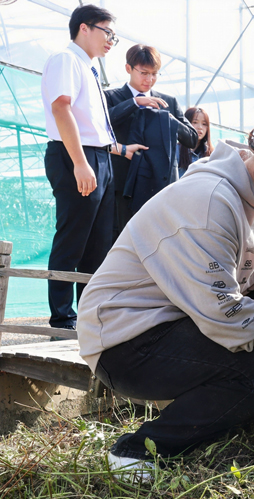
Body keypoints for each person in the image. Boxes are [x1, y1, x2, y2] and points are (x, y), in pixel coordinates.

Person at [76, 90, 254, 480]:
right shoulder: (209, 201)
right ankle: (136, 452)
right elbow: (222, 313)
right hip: (126, 339)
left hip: (183, 319)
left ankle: (225, 417)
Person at [40, 5, 142, 335]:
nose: (112, 40)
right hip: (76, 157)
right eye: (107, 32)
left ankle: (87, 317)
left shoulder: (90, 68)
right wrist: (81, 164)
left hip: (98, 158)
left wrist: (117, 151)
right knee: (72, 239)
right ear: (84, 28)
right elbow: (61, 108)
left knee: (97, 244)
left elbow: (92, 126)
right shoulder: (66, 59)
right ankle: (63, 319)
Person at [105, 44, 197, 235]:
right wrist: (134, 103)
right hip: (122, 186)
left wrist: (166, 118)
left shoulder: (168, 102)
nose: (149, 79)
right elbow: (101, 124)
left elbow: (192, 139)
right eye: (144, 73)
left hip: (161, 185)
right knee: (121, 240)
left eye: (155, 74)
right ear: (128, 68)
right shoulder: (111, 97)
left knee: (160, 239)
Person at [178, 106, 214, 177]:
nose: (200, 127)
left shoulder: (212, 154)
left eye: (204, 124)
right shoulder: (175, 151)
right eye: (195, 122)